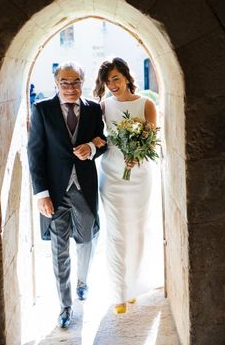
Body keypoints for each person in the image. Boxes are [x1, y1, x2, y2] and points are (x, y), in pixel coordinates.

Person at [27, 61, 107, 329]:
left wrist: (91, 149)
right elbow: (35, 153)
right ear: (56, 83)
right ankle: (65, 306)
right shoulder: (41, 110)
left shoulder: (93, 109)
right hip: (56, 193)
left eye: (76, 82)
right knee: (59, 250)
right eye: (65, 82)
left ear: (82, 83)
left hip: (84, 188)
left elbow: (102, 140)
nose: (71, 88)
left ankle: (82, 281)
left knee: (86, 237)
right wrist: (41, 193)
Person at [92, 57, 159, 314]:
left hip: (139, 175)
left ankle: (133, 285)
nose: (112, 85)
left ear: (127, 77)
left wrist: (137, 154)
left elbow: (151, 141)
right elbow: (97, 136)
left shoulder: (147, 104)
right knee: (117, 232)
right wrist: (96, 141)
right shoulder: (103, 106)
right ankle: (119, 292)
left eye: (116, 79)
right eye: (108, 82)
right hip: (111, 175)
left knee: (138, 230)